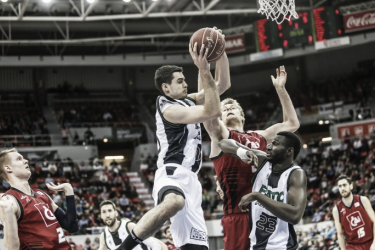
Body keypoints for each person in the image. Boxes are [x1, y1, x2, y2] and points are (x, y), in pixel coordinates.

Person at [120, 30, 231, 250]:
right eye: (180, 81)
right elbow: (212, 109)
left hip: (191, 179)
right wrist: (203, 70)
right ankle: (124, 248)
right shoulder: (169, 109)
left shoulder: (187, 100)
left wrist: (221, 50)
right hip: (171, 172)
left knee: (196, 248)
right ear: (166, 88)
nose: (185, 84)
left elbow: (222, 85)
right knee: (174, 202)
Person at [201, 65, 299, 249]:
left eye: (233, 107)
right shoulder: (220, 134)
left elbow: (292, 124)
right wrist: (207, 74)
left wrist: (281, 90)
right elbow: (210, 115)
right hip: (238, 213)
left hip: (265, 212)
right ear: (219, 116)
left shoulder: (260, 136)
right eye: (224, 108)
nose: (229, 108)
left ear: (242, 116)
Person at [219, 131, 307, 249]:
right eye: (270, 143)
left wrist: (257, 196)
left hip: (282, 246)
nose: (269, 146)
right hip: (256, 245)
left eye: (275, 144)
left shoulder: (295, 174)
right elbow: (224, 143)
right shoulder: (262, 160)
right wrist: (242, 152)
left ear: (289, 151)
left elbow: (295, 215)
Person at [0, 148, 79, 250]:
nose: (26, 161)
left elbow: (72, 227)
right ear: (8, 168)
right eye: (19, 159)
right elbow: (11, 248)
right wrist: (8, 212)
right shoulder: (9, 201)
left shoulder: (41, 194)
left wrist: (69, 192)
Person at [332, 175, 375, 250]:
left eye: (344, 185)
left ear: (351, 186)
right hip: (353, 246)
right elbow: (340, 234)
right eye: (340, 186)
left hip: (370, 241)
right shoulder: (336, 210)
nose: (342, 188)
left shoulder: (362, 200)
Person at [98, 200, 167, 250]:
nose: (107, 215)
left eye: (110, 211)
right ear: (101, 216)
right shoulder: (103, 236)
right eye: (104, 212)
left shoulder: (129, 226)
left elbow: (155, 245)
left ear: (116, 213)